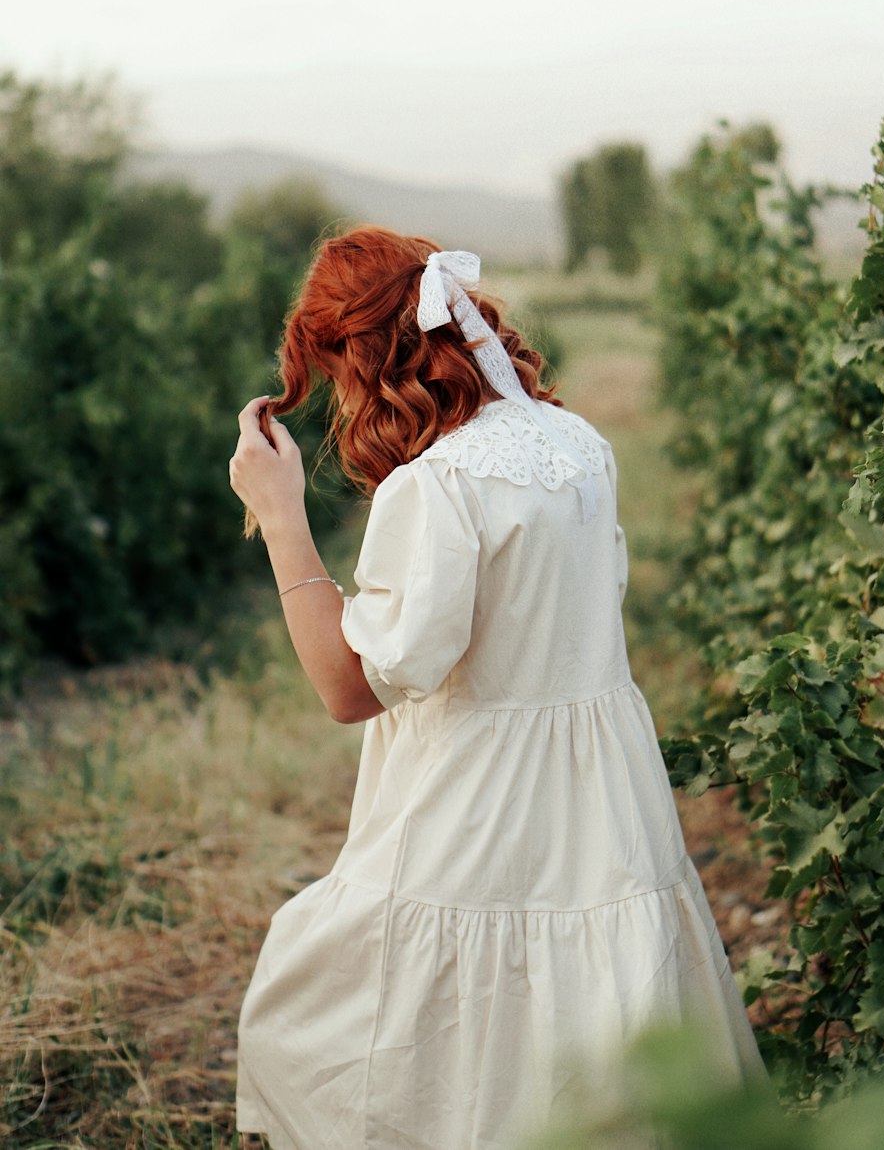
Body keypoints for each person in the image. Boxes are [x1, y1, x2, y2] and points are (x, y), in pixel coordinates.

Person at [228, 226, 766, 1150]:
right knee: (580, 1007)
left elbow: (352, 690)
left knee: (332, 1010)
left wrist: (281, 517)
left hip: (472, 798)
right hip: (600, 796)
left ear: (365, 355)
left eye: (337, 366)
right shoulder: (579, 443)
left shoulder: (437, 487)